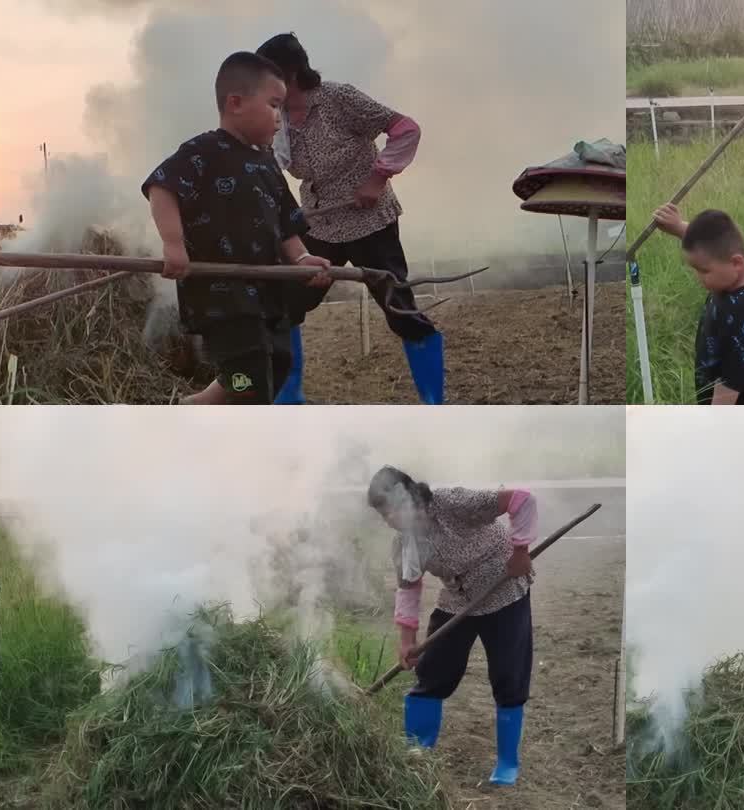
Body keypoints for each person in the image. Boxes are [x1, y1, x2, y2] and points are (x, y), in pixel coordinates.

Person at [254, 33, 442, 405]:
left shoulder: (339, 98)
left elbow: (406, 129)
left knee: (399, 308)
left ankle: (435, 402)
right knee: (285, 304)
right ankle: (289, 396)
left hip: (369, 221)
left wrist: (377, 178)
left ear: (290, 73)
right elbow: (269, 168)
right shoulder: (277, 117)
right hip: (318, 225)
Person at [142, 52, 332, 405]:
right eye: (275, 105)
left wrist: (302, 258)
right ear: (236, 103)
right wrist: (174, 245)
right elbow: (161, 187)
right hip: (222, 296)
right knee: (249, 378)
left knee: (278, 363)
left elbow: (287, 222)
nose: (280, 118)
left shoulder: (267, 163)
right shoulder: (203, 151)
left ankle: (196, 405)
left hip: (269, 292)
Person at [367, 465, 539, 786]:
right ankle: (418, 752)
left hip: (504, 590)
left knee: (508, 674)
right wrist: (407, 641)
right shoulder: (405, 544)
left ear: (408, 496)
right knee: (432, 671)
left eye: (390, 509)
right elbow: (408, 589)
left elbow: (522, 500)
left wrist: (520, 552)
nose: (389, 520)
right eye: (383, 515)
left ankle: (506, 763)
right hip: (458, 600)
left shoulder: (451, 503)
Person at [650, 204, 744, 405]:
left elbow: (730, 384)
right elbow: (719, 244)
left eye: (704, 271)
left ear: (736, 263)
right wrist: (679, 227)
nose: (698, 278)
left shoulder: (742, 312)